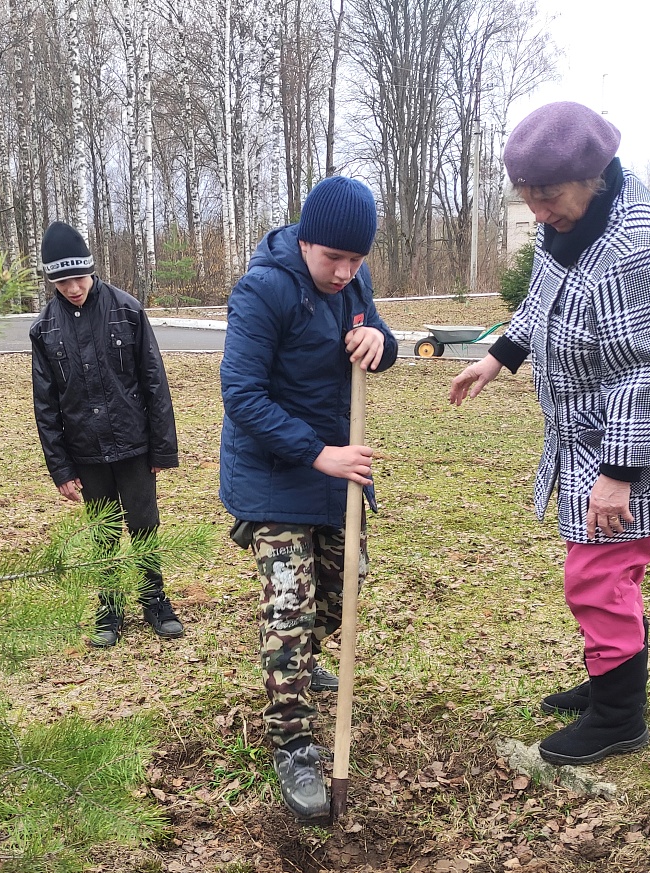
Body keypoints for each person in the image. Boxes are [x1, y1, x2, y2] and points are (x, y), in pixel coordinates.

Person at [449, 101, 650, 767]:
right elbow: (545, 295)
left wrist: (618, 474)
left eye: (549, 197)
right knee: (611, 575)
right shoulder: (572, 222)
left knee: (597, 576)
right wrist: (500, 355)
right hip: (590, 434)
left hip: (632, 446)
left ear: (592, 177)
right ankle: (608, 680)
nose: (539, 213)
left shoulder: (635, 249)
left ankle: (620, 717)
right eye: (528, 198)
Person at [219, 175, 398, 821]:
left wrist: (382, 343)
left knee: (346, 581)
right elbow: (241, 395)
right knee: (289, 612)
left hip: (334, 470)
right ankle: (292, 743)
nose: (344, 272)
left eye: (356, 260)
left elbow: (377, 338)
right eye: (333, 258)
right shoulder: (263, 290)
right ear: (304, 241)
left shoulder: (354, 283)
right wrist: (317, 453)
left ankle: (303, 661)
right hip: (276, 474)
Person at [30, 220, 182, 648]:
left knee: (144, 525)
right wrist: (61, 469)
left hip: (134, 446)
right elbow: (46, 404)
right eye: (62, 282)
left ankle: (154, 600)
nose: (72, 288)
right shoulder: (44, 329)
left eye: (78, 278)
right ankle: (110, 606)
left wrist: (161, 449)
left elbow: (154, 381)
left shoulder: (127, 310)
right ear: (51, 281)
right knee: (103, 533)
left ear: (91, 269)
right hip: (86, 451)